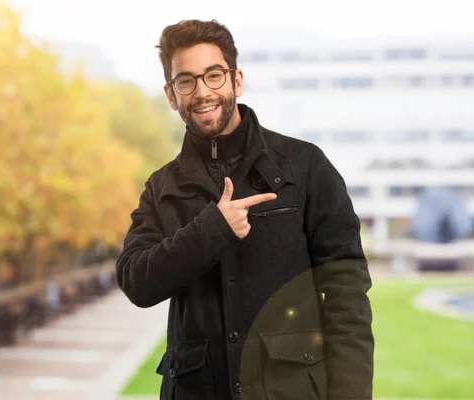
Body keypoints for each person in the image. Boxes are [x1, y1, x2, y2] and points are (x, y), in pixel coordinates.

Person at [115, 19, 374, 400]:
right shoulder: (161, 188)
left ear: (236, 80)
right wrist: (212, 229)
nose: (202, 91)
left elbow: (346, 291)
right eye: (186, 81)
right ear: (172, 95)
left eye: (214, 75)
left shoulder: (305, 166)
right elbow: (136, 281)